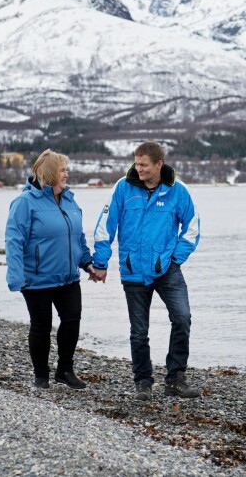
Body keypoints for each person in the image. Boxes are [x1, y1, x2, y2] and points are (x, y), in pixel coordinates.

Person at [91, 141, 201, 400]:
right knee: (139, 331)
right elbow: (105, 227)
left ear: (159, 164)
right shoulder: (123, 187)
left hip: (167, 270)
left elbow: (192, 227)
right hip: (133, 270)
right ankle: (143, 381)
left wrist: (175, 259)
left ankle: (175, 379)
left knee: (182, 318)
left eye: (144, 164)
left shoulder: (178, 190)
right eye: (136, 163)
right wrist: (101, 263)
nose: (138, 169)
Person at [5, 149, 97, 390]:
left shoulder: (69, 200)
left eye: (67, 170)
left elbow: (77, 237)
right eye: (62, 170)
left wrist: (87, 263)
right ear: (50, 173)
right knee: (41, 325)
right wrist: (16, 276)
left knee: (72, 321)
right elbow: (14, 241)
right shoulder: (25, 203)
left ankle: (64, 370)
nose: (67, 174)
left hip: (68, 278)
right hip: (37, 279)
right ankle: (41, 375)